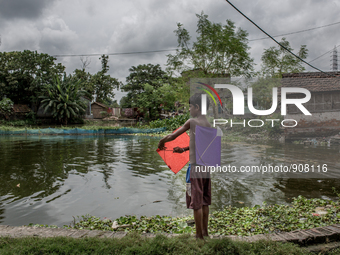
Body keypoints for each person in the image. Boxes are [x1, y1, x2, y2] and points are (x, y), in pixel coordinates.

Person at [158, 93, 211, 239]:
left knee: (196, 203)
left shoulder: (192, 122)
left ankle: (198, 236)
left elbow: (173, 136)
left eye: (190, 107)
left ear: (197, 107)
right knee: (205, 202)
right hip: (206, 168)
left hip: (194, 168)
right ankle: (205, 234)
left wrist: (162, 140)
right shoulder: (209, 124)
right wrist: (184, 149)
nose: (189, 110)